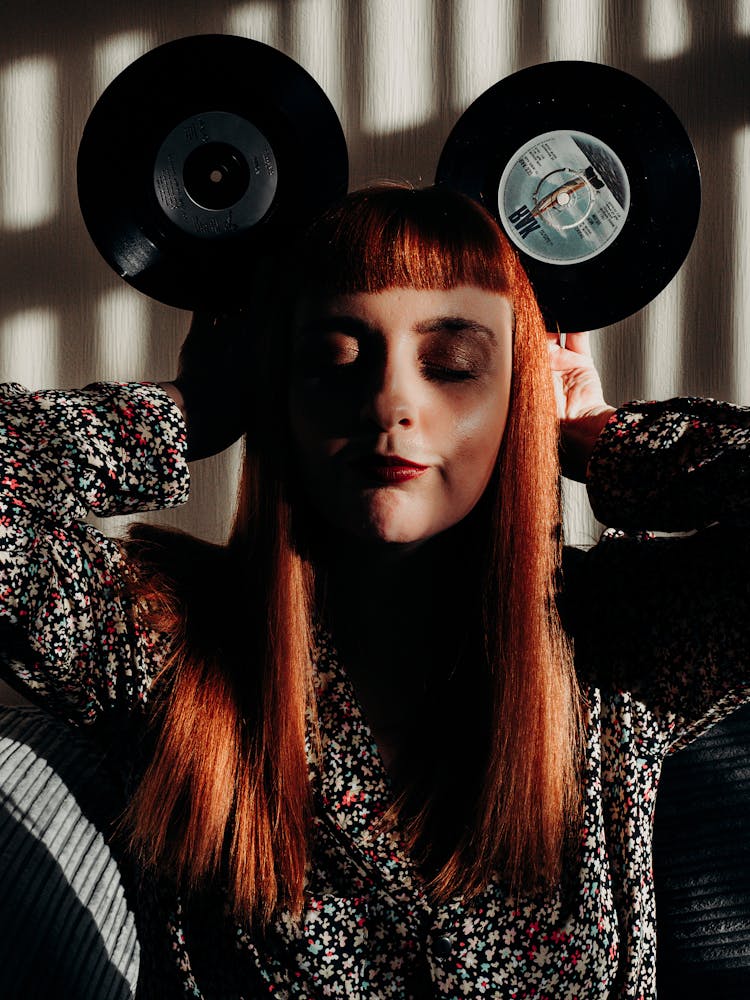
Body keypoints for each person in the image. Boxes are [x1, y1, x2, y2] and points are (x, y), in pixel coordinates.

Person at [0, 183, 747, 999]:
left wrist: (601, 441)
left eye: (452, 365)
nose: (392, 402)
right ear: (277, 395)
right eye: (334, 359)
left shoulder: (611, 639)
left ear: (515, 401)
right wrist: (189, 413)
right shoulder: (169, 647)